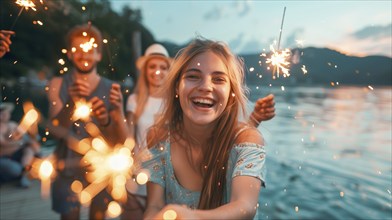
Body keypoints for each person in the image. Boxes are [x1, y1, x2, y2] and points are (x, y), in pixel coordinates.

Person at [123, 43, 274, 219]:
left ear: (231, 92)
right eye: (193, 76)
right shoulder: (158, 137)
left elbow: (245, 207)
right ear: (177, 87)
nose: (205, 87)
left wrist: (193, 217)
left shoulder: (247, 139)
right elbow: (154, 205)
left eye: (218, 79)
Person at [46, 24, 128, 220]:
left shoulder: (113, 89)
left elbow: (125, 140)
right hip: (66, 166)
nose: (84, 54)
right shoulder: (57, 84)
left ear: (99, 54)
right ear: (69, 54)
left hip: (103, 169)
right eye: (78, 49)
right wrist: (69, 105)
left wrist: (111, 117)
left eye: (90, 50)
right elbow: (53, 131)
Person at [0, 102, 41, 188]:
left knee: (30, 149)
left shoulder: (12, 125)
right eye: (2, 112)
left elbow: (25, 136)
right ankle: (22, 173)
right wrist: (21, 143)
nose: (4, 114)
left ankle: (24, 174)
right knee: (16, 170)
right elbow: (3, 143)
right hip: (3, 158)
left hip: (17, 154)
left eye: (6, 112)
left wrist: (32, 135)